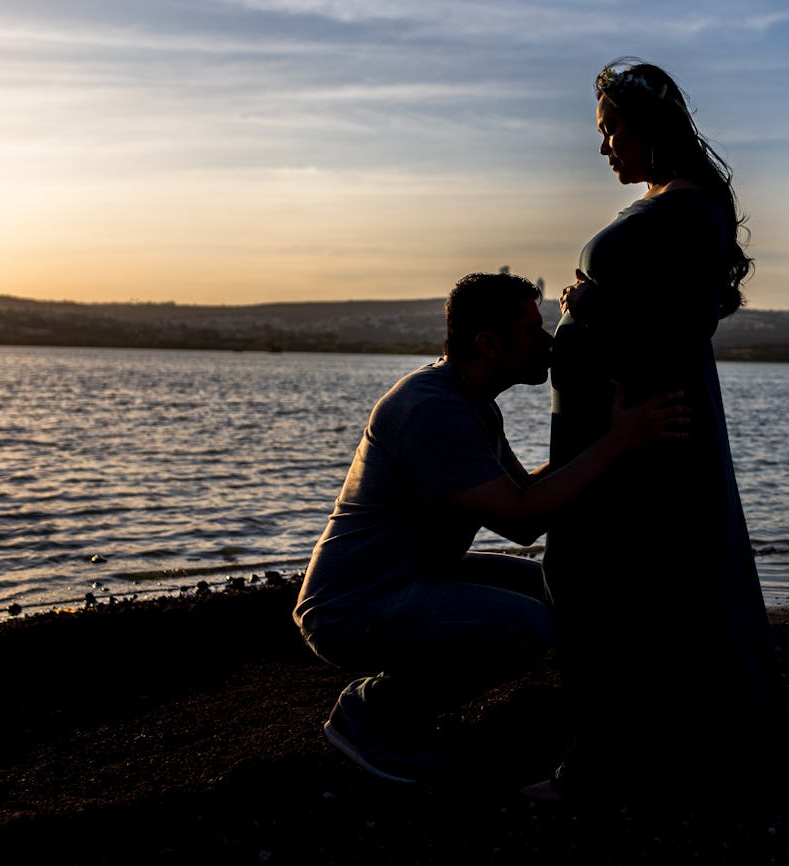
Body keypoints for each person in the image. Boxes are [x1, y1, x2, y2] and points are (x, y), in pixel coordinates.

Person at [293, 270, 688, 786]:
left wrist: (608, 436)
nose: (547, 343)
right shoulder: (432, 409)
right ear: (488, 343)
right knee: (526, 625)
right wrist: (616, 446)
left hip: (416, 576)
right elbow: (521, 520)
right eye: (531, 331)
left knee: (557, 591)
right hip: (352, 605)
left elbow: (522, 490)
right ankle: (371, 714)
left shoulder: (470, 401)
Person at [528, 59, 789, 805]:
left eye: (612, 132)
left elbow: (690, 322)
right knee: (599, 582)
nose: (604, 147)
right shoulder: (661, 201)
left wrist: (596, 309)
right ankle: (622, 760)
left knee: (614, 588)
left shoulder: (694, 206)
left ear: (647, 130)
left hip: (643, 431)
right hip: (610, 427)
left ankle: (604, 769)